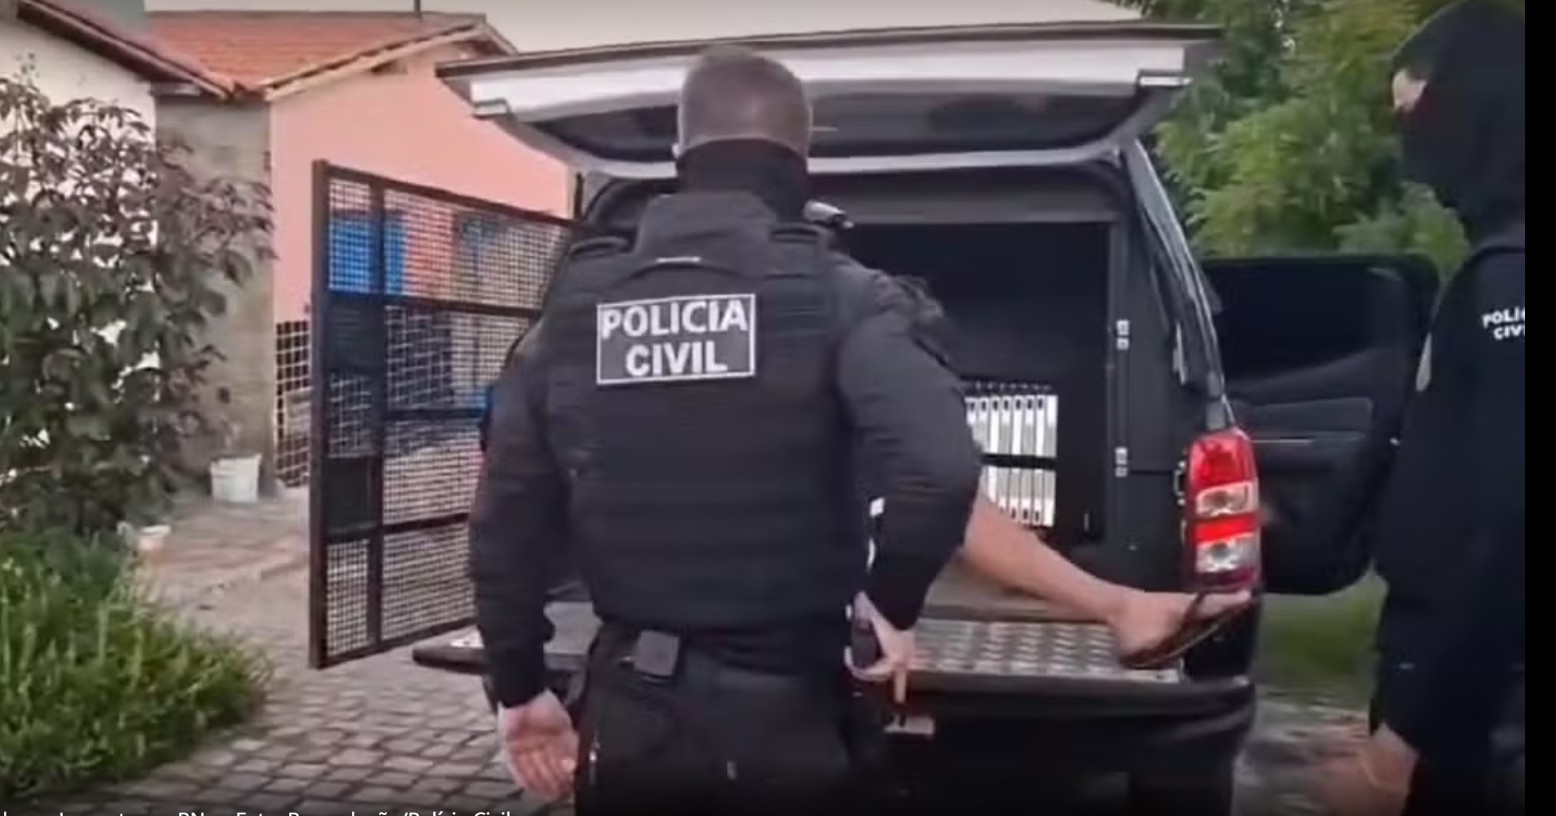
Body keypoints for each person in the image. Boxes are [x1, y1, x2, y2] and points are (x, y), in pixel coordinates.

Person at [470, 45, 983, 814]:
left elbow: (504, 529)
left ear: (681, 156)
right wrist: (890, 607)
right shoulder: (845, 299)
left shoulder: (573, 318)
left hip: (631, 719)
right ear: (802, 159)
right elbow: (938, 472)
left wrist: (519, 688)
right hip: (792, 718)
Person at [1319, 3, 1524, 815]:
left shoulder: (1509, 279)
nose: (1415, 158)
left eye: (1419, 119)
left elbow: (1504, 532)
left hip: (1488, 719)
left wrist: (1400, 744)